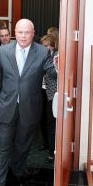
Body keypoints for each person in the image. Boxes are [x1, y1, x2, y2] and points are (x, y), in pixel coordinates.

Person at [0, 18, 57, 186]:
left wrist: (60, 63)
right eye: (20, 32)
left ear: (33, 33)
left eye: (27, 32)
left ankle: (18, 172)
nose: (23, 36)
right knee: (2, 147)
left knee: (23, 145)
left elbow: (52, 72)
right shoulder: (3, 50)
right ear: (15, 33)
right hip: (6, 106)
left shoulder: (42, 52)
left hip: (30, 108)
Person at [39, 34, 58, 162]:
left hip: (51, 92)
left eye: (46, 46)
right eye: (43, 46)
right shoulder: (40, 55)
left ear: (52, 46)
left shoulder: (56, 57)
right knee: (41, 120)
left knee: (51, 123)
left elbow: (54, 75)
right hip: (40, 91)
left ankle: (52, 151)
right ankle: (46, 143)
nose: (44, 48)